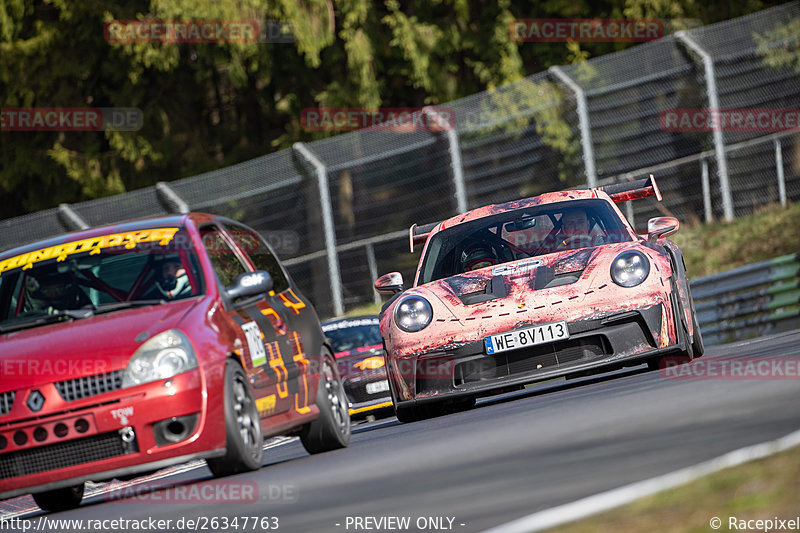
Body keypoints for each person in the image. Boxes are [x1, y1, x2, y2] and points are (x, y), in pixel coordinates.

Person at [26, 268, 91, 312]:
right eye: (46, 291)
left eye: (59, 289)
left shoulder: (88, 311)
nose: (54, 295)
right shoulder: (30, 317)